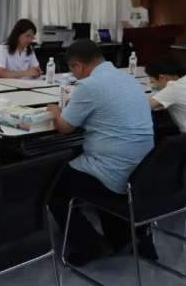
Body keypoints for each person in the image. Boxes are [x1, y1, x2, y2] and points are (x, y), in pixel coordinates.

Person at [46, 40, 155, 267]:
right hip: (141, 171)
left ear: (78, 65)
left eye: (72, 70)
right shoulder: (128, 79)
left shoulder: (89, 86)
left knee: (52, 181)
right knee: (80, 160)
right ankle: (120, 237)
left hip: (114, 173)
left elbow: (64, 127)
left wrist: (55, 111)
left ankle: (89, 244)